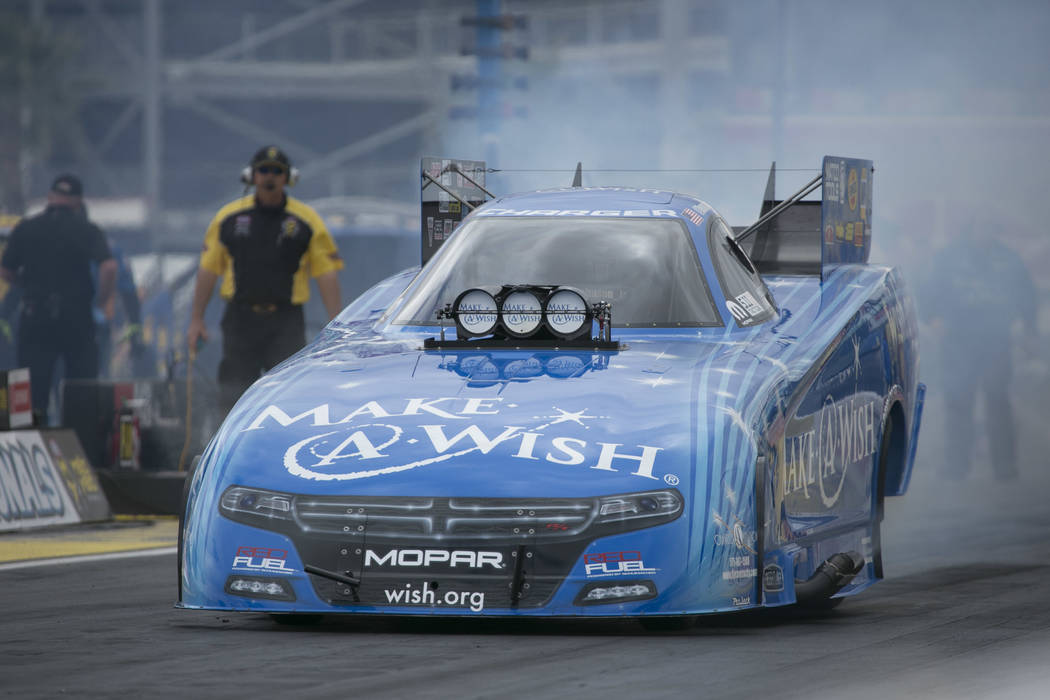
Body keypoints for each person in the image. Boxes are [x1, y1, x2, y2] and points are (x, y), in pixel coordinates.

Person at [187, 146, 343, 414]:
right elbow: (208, 270)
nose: (270, 177)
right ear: (252, 176)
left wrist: (336, 326)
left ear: (288, 178)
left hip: (286, 322)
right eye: (264, 170)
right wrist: (196, 320)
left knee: (290, 398)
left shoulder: (307, 221)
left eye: (277, 171)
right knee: (233, 397)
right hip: (240, 321)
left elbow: (326, 274)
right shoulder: (228, 218)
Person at [920, 217, 1038, 480]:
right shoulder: (949, 257)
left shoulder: (1008, 259)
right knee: (958, 401)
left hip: (996, 342)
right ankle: (956, 466)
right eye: (980, 226)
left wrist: (1030, 329)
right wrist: (932, 318)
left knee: (998, 401)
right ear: (971, 228)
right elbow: (929, 291)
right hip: (957, 342)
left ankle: (1005, 467)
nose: (985, 231)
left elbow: (1026, 294)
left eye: (990, 226)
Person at [0, 174, 116, 422]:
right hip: (77, 317)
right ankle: (81, 438)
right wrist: (101, 300)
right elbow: (109, 267)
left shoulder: (26, 228)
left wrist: (27, 285)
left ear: (50, 197)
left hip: (35, 315)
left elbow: (6, 270)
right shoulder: (87, 229)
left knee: (30, 392)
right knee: (80, 390)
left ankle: (27, 438)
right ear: (78, 201)